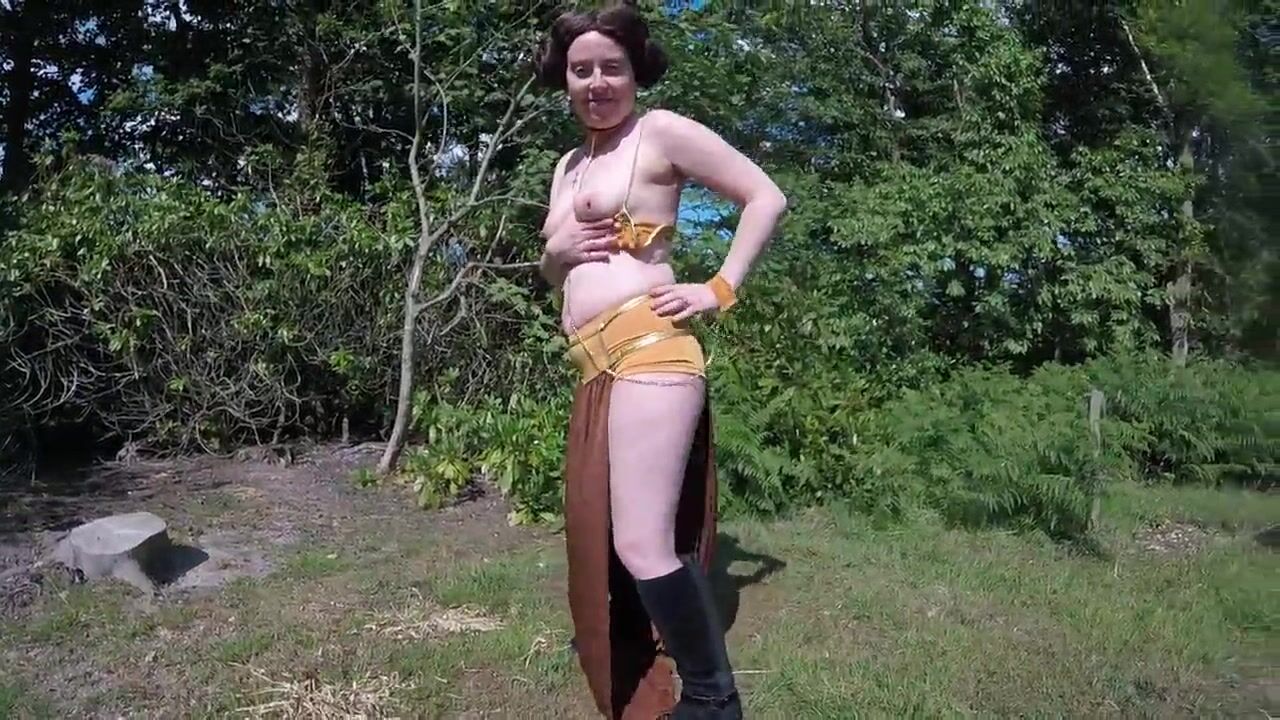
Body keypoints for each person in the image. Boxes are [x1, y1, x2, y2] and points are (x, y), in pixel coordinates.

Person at [535, 4, 786, 718]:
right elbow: (556, 273)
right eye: (581, 69)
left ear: (635, 72)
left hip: (651, 351)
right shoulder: (568, 165)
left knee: (644, 542)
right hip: (596, 367)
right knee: (613, 535)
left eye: (611, 68)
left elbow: (766, 197)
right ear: (564, 78)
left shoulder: (661, 132)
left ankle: (713, 699)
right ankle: (647, 661)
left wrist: (718, 288)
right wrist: (554, 255)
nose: (596, 82)